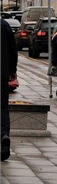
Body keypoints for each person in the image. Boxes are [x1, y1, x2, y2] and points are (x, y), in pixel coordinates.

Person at [1, 17, 18, 161]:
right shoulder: (4, 25)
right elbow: (13, 50)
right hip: (2, 74)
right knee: (2, 108)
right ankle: (3, 135)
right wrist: (12, 71)